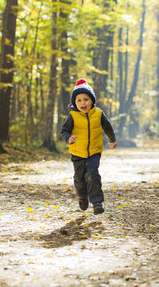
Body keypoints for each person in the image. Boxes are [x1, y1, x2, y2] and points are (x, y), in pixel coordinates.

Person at [61, 78, 117, 215]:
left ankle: (97, 202)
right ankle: (82, 196)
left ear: (92, 100)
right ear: (74, 102)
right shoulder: (73, 116)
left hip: (94, 152)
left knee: (93, 174)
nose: (83, 103)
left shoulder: (98, 114)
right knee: (80, 179)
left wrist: (112, 139)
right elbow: (64, 130)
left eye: (86, 99)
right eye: (79, 100)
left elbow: (107, 126)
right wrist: (69, 138)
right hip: (77, 152)